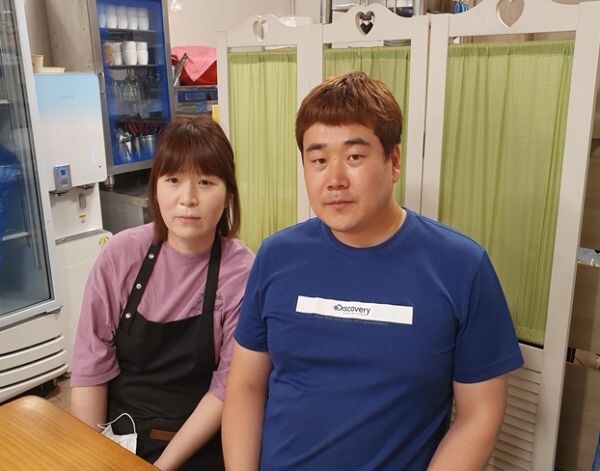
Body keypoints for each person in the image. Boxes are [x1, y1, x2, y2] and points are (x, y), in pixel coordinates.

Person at [222, 71, 524, 470]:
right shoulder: (277, 256)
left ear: (393, 161)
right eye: (318, 160)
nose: (334, 180)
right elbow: (245, 386)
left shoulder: (461, 266)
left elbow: (479, 415)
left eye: (354, 157)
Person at [70, 117, 254, 470]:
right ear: (155, 187)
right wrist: (90, 457)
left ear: (228, 194)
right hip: (120, 437)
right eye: (173, 180)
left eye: (205, 182)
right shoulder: (121, 254)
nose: (188, 199)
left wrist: (159, 467)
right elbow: (91, 367)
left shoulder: (242, 272)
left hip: (199, 441)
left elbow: (226, 389)